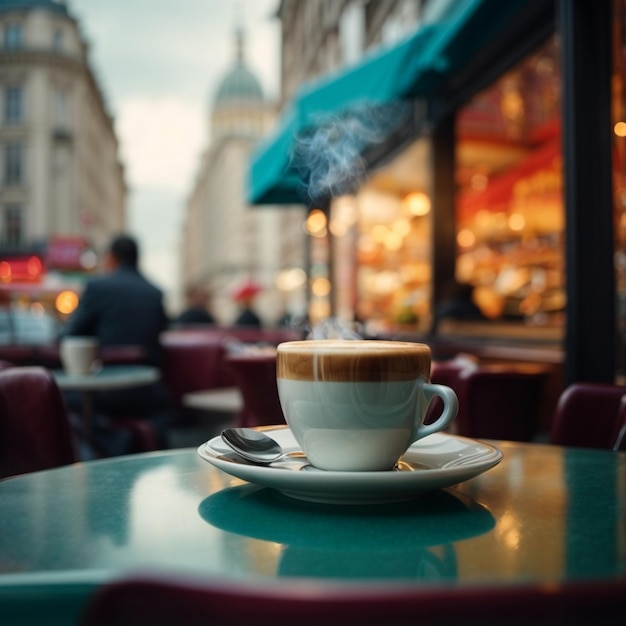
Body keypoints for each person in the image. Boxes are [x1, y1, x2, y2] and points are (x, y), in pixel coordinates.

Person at [62, 234, 175, 449]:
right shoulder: (154, 292)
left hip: (105, 392)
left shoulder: (97, 287)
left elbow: (71, 335)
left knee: (67, 402)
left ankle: (115, 444)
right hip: (150, 390)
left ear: (112, 258)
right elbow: (160, 336)